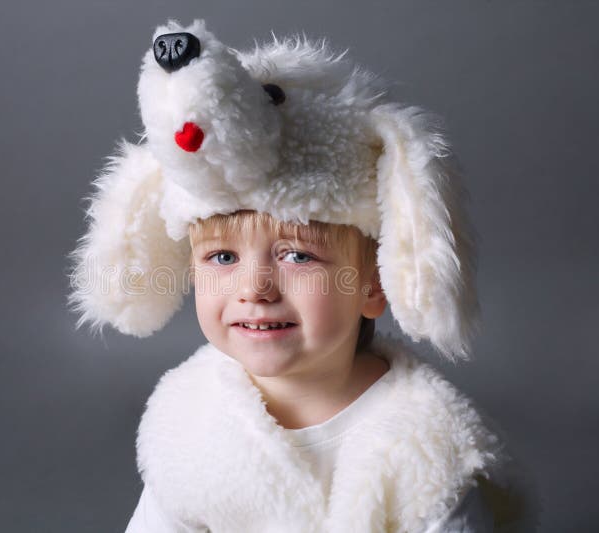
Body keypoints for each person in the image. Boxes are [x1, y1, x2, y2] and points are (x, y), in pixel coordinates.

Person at [69, 19, 536, 532]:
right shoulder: (189, 419)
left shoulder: (426, 446)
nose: (255, 288)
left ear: (374, 283)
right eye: (222, 258)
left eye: (297, 256)